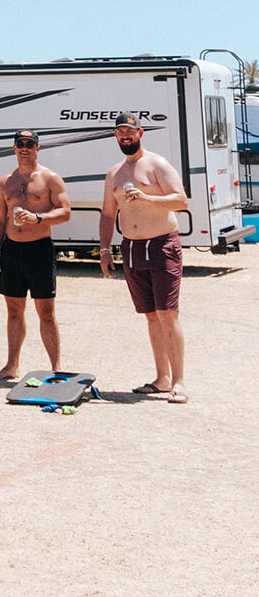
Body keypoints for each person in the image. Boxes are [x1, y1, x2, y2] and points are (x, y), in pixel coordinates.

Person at [99, 111, 189, 403]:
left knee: (167, 313)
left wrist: (148, 198)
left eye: (130, 131)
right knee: (150, 316)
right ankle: (161, 379)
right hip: (132, 247)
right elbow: (108, 213)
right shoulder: (115, 172)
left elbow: (181, 199)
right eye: (120, 133)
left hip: (162, 243)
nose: (125, 136)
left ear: (140, 133)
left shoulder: (156, 164)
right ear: (116, 136)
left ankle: (179, 382)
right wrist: (103, 249)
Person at [0, 129, 72, 380]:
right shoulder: (5, 182)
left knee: (46, 311)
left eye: (30, 144)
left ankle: (56, 368)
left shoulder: (50, 178)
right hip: (12, 250)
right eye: (20, 144)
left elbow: (65, 212)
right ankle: (11, 366)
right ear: (14, 148)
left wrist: (38, 218)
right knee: (14, 310)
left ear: (38, 148)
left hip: (39, 250)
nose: (25, 148)